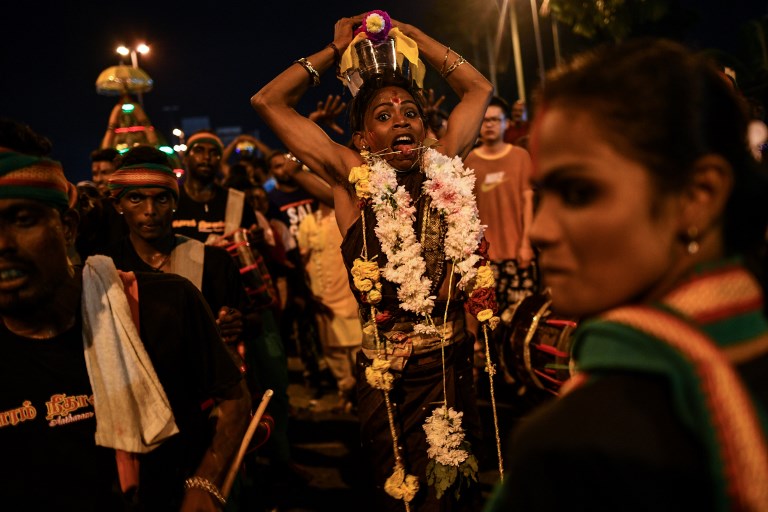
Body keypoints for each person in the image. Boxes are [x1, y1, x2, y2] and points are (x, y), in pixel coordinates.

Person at [484, 38, 768, 511]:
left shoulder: (577, 444)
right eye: (542, 194)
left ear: (699, 194)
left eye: (578, 192)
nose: (539, 230)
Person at [251, 10, 494, 511]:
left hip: (452, 362)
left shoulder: (444, 162)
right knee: (405, 498)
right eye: (383, 116)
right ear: (362, 140)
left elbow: (478, 90)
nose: (401, 120)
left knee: (459, 493)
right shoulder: (352, 179)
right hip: (391, 374)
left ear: (424, 126)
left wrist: (415, 37)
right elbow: (268, 101)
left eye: (410, 111)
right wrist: (333, 51)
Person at [0, 118, 251, 511]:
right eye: (136, 199)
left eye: (22, 219)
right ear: (117, 205)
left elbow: (234, 397)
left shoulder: (169, 298)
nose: (3, 244)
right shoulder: (113, 261)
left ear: (67, 226)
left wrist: (204, 484)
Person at [465, 95, 537, 313]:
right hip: (485, 259)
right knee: (491, 321)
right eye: (484, 121)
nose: (489, 125)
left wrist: (526, 244)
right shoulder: (469, 161)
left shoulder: (521, 156)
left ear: (506, 123)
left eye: (495, 120)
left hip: (518, 253)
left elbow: (528, 201)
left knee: (522, 316)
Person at [172, 129, 258, 245]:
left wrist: (257, 241)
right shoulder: (171, 200)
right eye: (199, 150)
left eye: (214, 153)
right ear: (185, 158)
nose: (207, 157)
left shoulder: (237, 201)